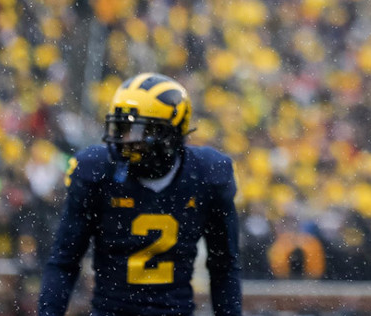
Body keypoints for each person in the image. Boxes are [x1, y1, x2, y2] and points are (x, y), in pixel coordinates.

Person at [38, 73, 241, 316]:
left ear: (169, 134)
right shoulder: (98, 171)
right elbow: (64, 261)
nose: (124, 140)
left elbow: (224, 267)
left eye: (136, 129)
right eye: (121, 128)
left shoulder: (207, 175)